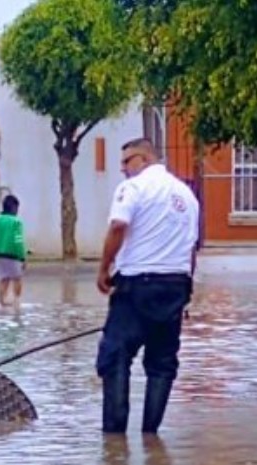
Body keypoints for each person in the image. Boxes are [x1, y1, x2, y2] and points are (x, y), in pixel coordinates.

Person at [95, 137, 200, 435]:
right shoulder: (187, 196)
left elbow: (118, 226)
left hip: (136, 285)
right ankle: (150, 435)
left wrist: (103, 268)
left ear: (143, 159)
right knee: (162, 364)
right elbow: (191, 249)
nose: (123, 169)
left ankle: (114, 440)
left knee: (115, 356)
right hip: (175, 287)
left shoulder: (134, 187)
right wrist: (184, 296)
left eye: (126, 162)